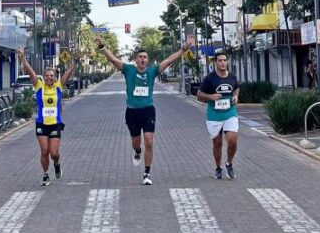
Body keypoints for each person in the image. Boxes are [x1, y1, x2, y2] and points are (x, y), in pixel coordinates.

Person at [97, 35, 195, 185]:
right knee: (136, 142)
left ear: (147, 60)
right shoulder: (128, 70)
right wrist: (102, 47)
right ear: (136, 60)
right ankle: (137, 151)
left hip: (148, 110)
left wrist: (183, 48)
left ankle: (146, 173)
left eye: (145, 57)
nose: (142, 59)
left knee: (149, 141)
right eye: (140, 57)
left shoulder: (152, 72)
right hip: (132, 112)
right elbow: (114, 60)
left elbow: (169, 60)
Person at [17, 47, 80, 186]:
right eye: (47, 76)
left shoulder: (58, 86)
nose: (49, 78)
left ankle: (57, 163)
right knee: (44, 151)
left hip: (55, 123)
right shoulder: (39, 86)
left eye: (52, 76)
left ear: (54, 77)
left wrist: (75, 61)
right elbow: (30, 72)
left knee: (54, 153)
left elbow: (68, 73)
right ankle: (45, 174)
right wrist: (22, 58)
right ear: (44, 77)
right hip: (41, 123)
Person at [197, 52, 240, 180]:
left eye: (224, 60)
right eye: (220, 60)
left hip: (230, 112)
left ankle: (229, 164)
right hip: (214, 115)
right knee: (217, 143)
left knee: (232, 140)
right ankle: (218, 168)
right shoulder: (210, 79)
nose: (222, 63)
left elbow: (236, 88)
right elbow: (199, 94)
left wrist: (236, 96)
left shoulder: (232, 77)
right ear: (215, 63)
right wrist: (211, 97)